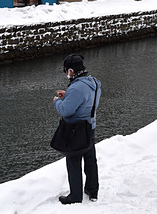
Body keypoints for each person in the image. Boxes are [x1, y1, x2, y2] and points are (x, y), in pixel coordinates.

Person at [54, 54, 102, 204]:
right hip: (90, 127)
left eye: (66, 71)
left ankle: (75, 196)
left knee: (73, 161)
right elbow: (85, 102)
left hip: (75, 131)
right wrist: (67, 96)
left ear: (70, 71)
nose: (66, 74)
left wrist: (57, 101)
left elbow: (66, 111)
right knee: (90, 160)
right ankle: (92, 191)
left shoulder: (76, 87)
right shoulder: (94, 82)